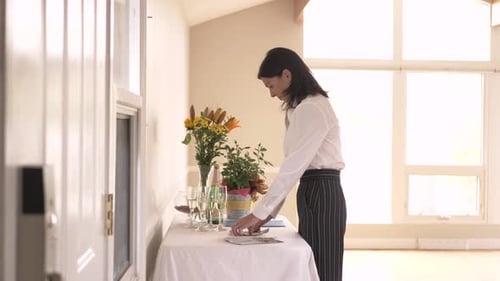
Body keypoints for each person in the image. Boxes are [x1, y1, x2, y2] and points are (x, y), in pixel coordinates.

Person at [231, 47, 347, 281]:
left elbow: (292, 167)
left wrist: (259, 214)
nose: (271, 94)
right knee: (313, 268)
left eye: (270, 86)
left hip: (322, 191)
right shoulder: (299, 109)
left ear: (287, 75)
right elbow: (293, 168)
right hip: (312, 189)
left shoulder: (312, 108)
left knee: (323, 270)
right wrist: (265, 215)